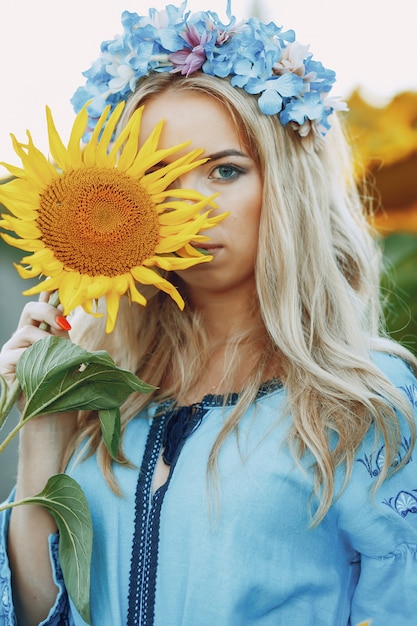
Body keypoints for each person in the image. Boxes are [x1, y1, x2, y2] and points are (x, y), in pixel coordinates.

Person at [1, 3, 417, 625]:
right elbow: (36, 613)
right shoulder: (100, 385)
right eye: (160, 175)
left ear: (287, 186)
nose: (189, 209)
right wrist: (41, 435)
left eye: (225, 171)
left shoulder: (364, 400)